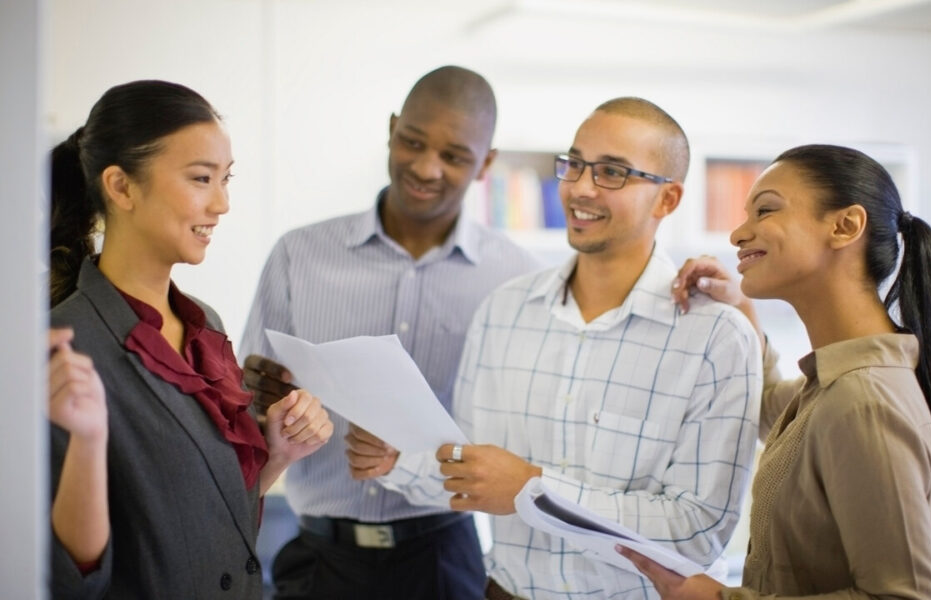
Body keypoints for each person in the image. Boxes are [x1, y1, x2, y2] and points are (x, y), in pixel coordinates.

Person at [351, 97, 763, 599]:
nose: (581, 188)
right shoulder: (503, 310)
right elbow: (471, 471)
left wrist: (532, 487)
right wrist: (394, 460)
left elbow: (697, 529)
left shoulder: (716, 338)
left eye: (612, 172)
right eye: (575, 164)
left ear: (667, 199)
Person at [239, 65, 540, 599]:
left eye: (453, 156)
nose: (426, 168)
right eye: (413, 142)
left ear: (486, 163)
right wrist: (259, 397)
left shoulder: (517, 278)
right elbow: (246, 407)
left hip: (442, 559)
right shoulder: (299, 254)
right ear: (392, 127)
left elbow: (522, 428)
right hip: (317, 560)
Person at [618, 144, 931, 599]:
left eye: (765, 211)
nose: (738, 234)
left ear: (845, 226)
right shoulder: (836, 385)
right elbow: (767, 411)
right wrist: (742, 312)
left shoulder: (864, 402)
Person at [48, 80, 334, 599]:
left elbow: (215, 521)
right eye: (202, 178)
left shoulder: (207, 324)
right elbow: (71, 577)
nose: (221, 203)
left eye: (226, 179)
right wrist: (89, 442)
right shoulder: (64, 345)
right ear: (121, 187)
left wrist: (277, 454)